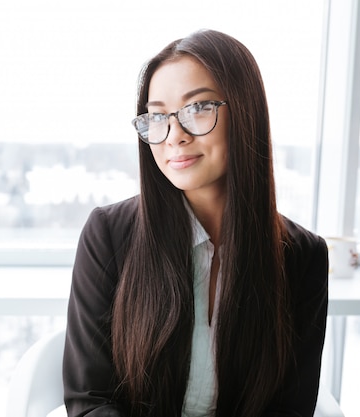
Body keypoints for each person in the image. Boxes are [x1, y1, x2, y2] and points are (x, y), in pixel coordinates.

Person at [62, 29, 329, 417]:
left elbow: (290, 408)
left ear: (245, 113)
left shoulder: (303, 257)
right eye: (157, 116)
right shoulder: (108, 235)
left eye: (198, 107)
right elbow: (90, 402)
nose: (174, 135)